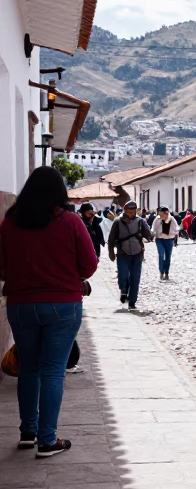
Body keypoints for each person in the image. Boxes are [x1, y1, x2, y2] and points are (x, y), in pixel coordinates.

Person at [0, 167, 98, 456]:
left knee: (29, 368)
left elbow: (2, 266)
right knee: (53, 371)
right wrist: (69, 274)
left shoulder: (9, 224)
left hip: (20, 304)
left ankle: (28, 432)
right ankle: (47, 439)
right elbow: (90, 265)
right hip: (63, 304)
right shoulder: (70, 221)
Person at [108, 200, 153, 311]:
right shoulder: (117, 222)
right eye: (129, 211)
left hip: (137, 253)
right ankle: (123, 291)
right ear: (125, 210)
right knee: (123, 275)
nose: (131, 213)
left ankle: (132, 301)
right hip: (122, 253)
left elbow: (149, 235)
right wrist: (111, 252)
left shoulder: (140, 221)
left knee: (135, 278)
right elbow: (111, 238)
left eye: (133, 211)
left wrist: (149, 234)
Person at [153, 206, 180, 281]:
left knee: (168, 256)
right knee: (161, 255)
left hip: (169, 240)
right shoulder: (157, 219)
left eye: (164, 214)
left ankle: (166, 272)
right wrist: (154, 233)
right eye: (161, 214)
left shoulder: (172, 219)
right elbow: (153, 228)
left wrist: (173, 234)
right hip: (160, 240)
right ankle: (161, 271)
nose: (162, 216)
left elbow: (177, 229)